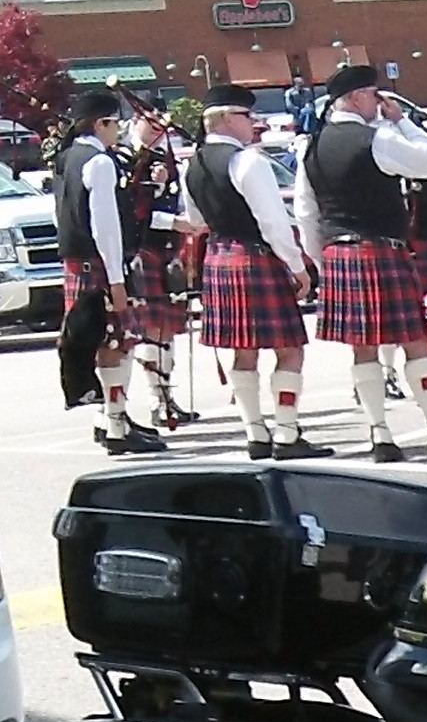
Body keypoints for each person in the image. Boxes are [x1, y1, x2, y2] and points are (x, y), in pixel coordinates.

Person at [299, 63, 427, 462]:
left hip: (338, 252)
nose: (380, 102)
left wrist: (320, 263)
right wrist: (405, 123)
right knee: (415, 342)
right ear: (357, 97)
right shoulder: (375, 139)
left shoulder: (311, 145)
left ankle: (381, 438)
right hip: (380, 249)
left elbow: (306, 213)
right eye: (375, 95)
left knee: (362, 349)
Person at [183, 101, 320, 459]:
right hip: (255, 257)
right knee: (289, 350)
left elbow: (196, 220)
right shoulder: (248, 161)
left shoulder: (192, 165)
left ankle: (255, 434)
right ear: (225, 118)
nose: (254, 124)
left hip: (219, 257)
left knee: (243, 352)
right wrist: (297, 266)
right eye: (247, 116)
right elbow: (272, 221)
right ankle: (287, 434)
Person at [52, 90, 159, 454]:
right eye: (116, 124)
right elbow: (105, 227)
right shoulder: (100, 162)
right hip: (99, 266)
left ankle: (110, 419)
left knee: (99, 345)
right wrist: (116, 279)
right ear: (101, 124)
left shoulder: (68, 157)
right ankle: (116, 426)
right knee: (115, 345)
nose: (119, 131)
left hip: (78, 265)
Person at [122, 133, 197, 433]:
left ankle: (168, 396)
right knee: (152, 329)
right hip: (145, 250)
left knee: (168, 328)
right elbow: (134, 213)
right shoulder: (131, 162)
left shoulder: (168, 159)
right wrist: (172, 222)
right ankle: (157, 401)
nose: (155, 129)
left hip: (169, 252)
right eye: (147, 121)